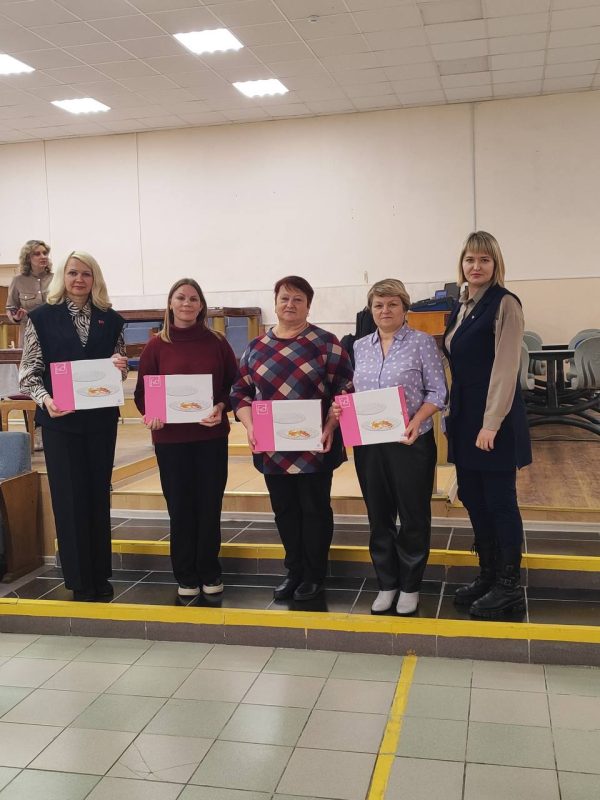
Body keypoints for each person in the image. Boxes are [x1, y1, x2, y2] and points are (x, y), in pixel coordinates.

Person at [231, 276, 353, 602]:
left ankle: (314, 575)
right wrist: (250, 426)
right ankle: (294, 570)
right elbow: (240, 393)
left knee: (315, 510)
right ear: (275, 303)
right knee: (284, 511)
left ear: (308, 306)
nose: (290, 304)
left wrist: (331, 425)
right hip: (273, 447)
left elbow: (345, 390)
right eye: (284, 298)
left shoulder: (326, 343)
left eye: (298, 299)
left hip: (316, 444)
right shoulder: (256, 348)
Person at [19, 251, 127, 602]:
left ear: (95, 279)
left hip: (100, 422)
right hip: (60, 423)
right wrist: (46, 400)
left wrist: (120, 367)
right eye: (73, 273)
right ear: (62, 277)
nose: (79, 280)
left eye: (86, 274)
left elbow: (119, 368)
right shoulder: (41, 318)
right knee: (69, 499)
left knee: (97, 495)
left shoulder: (111, 319)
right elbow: (29, 373)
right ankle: (80, 579)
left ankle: (100, 574)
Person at [334, 279, 447, 615]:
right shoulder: (360, 346)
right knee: (378, 515)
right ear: (371, 310)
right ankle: (387, 583)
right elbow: (355, 389)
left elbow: (438, 392)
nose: (385, 311)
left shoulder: (422, 343)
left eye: (392, 304)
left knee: (413, 516)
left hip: (410, 441)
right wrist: (342, 407)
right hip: (370, 445)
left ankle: (410, 585)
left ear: (404, 308)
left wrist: (417, 420)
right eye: (379, 305)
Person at [444, 231, 532, 619]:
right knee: (472, 495)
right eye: (469, 259)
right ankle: (489, 573)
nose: (475, 266)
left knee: (499, 501)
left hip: (494, 418)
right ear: (461, 264)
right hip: (465, 418)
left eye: (484, 260)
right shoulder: (461, 306)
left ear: (495, 264)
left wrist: (491, 423)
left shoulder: (505, 303)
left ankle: (509, 586)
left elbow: (506, 368)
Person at [134, 279, 238, 600]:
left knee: (209, 505)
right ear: (170, 303)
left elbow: (234, 386)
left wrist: (221, 406)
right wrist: (150, 414)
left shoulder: (217, 342)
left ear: (201, 305)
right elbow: (142, 393)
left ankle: (209, 570)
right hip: (171, 441)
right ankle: (185, 573)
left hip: (210, 437)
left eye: (193, 299)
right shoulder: (156, 346)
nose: (187, 303)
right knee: (180, 508)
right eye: (180, 298)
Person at [6, 240, 54, 450]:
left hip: (54, 337)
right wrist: (16, 316)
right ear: (28, 258)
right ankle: (38, 430)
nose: (43, 256)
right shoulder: (18, 281)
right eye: (37, 253)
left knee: (52, 380)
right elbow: (10, 309)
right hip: (31, 339)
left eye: (44, 253)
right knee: (34, 381)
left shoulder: (56, 278)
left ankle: (51, 426)